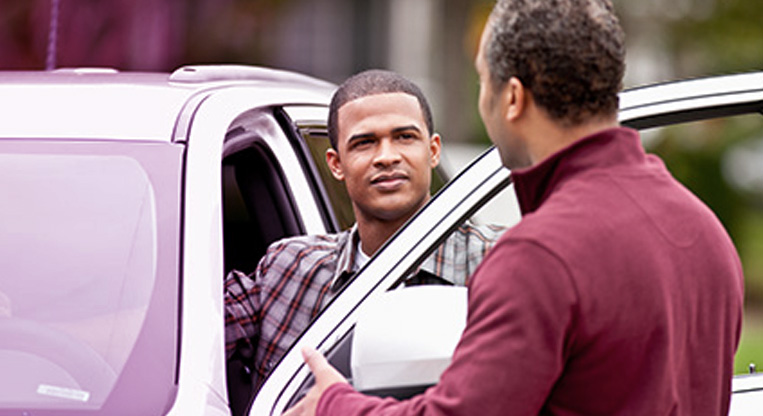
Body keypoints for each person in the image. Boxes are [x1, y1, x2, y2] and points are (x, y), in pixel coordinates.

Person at [283, 0, 745, 415]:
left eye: (483, 80)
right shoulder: (705, 228)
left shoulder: (539, 255)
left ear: (512, 98)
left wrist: (334, 403)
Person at [224, 69, 504, 398]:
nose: (386, 157)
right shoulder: (286, 268)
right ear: (336, 164)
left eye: (404, 137)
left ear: (433, 150)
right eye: (364, 143)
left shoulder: (499, 262)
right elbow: (181, 331)